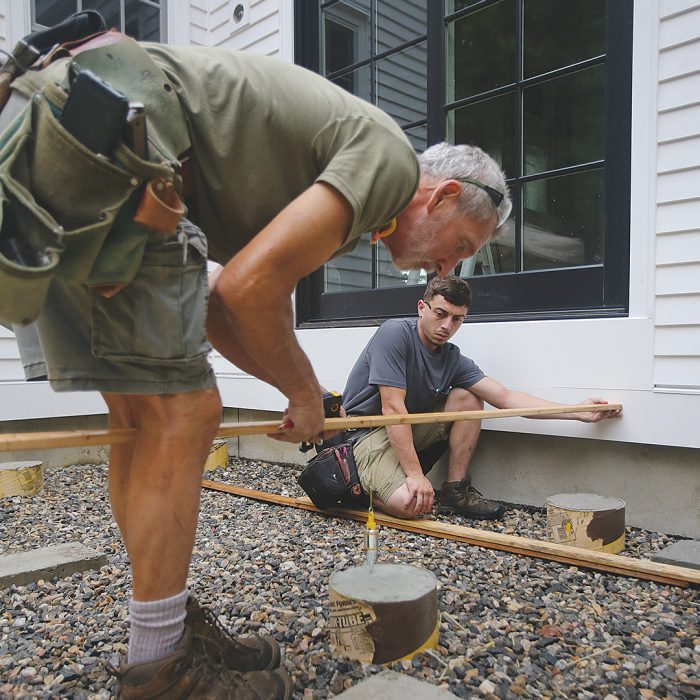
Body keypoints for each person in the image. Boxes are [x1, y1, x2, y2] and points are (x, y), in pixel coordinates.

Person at [0, 23, 513, 698]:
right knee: (185, 416)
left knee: (146, 419)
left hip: (63, 143)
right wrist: (304, 393)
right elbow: (249, 290)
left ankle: (165, 628)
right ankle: (160, 672)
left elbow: (220, 301)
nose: (448, 266)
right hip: (112, 149)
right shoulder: (387, 163)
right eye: (461, 243)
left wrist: (296, 391)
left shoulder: (350, 190)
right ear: (443, 196)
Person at [342, 275, 622, 521]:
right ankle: (350, 484)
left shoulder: (451, 359)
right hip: (363, 436)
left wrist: (577, 412)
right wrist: (415, 475)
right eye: (440, 313)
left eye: (457, 319)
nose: (446, 326)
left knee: (469, 397)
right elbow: (392, 408)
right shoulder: (394, 334)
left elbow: (506, 397)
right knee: (410, 504)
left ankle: (455, 491)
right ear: (421, 308)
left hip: (403, 431)